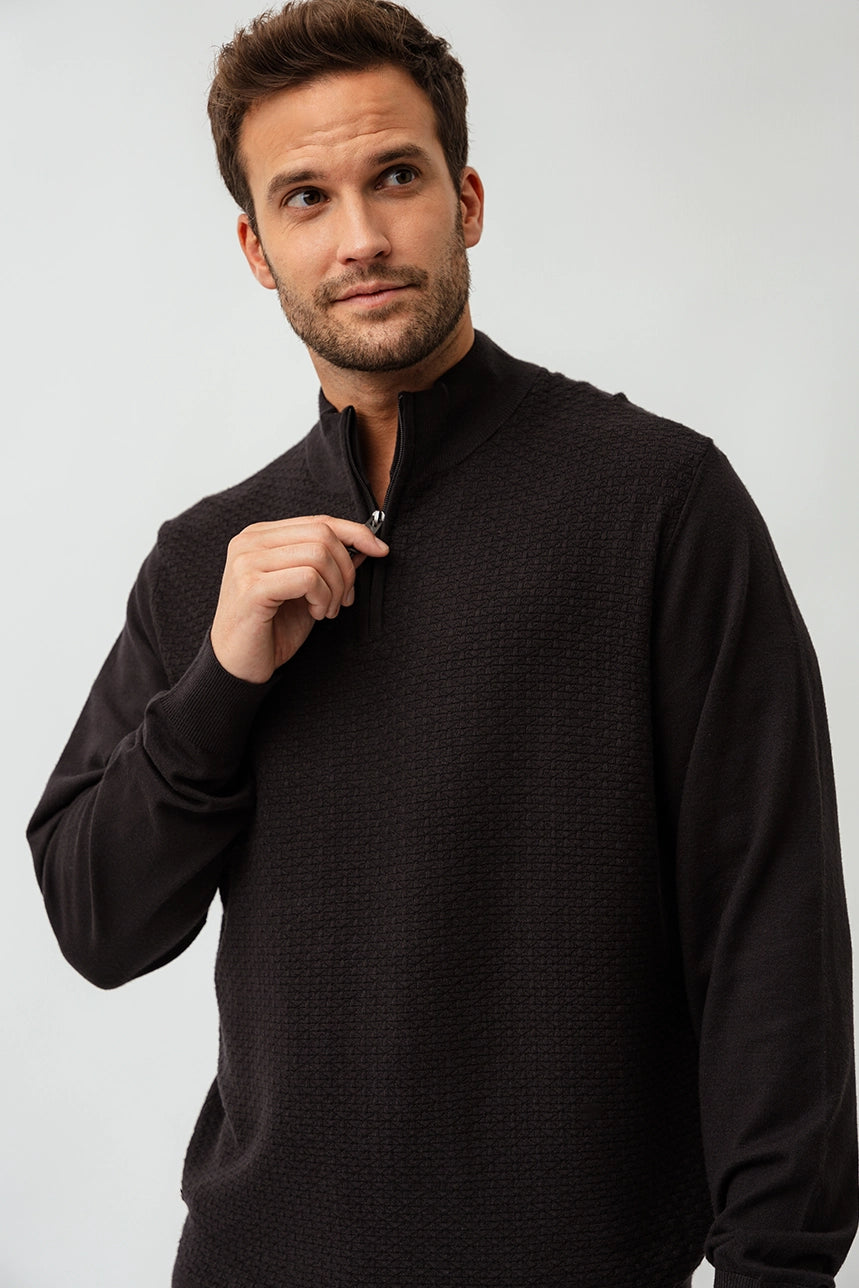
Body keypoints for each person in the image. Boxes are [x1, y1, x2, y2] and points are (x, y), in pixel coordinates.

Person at [28, 1, 857, 1285]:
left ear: (466, 200)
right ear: (256, 248)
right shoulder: (208, 562)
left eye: (396, 177)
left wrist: (776, 1270)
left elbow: (771, 935)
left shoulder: (659, 505)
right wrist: (220, 679)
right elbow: (98, 922)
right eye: (306, 198)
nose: (359, 236)